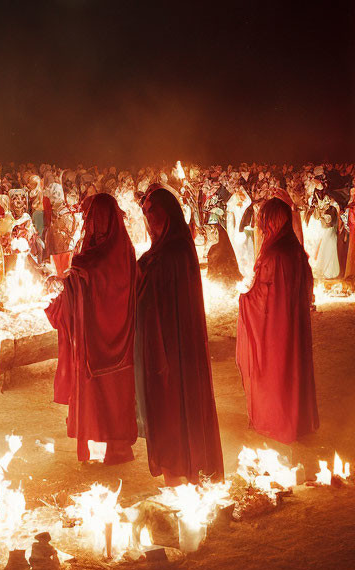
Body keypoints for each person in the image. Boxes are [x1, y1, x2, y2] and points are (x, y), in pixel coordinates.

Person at [135, 188, 223, 485]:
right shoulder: (162, 251)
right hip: (160, 344)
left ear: (167, 217)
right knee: (166, 407)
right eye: (146, 216)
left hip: (174, 345)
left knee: (176, 404)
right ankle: (176, 470)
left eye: (153, 216)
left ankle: (186, 468)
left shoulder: (176, 251)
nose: (149, 223)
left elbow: (153, 291)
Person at [45, 194, 137, 463]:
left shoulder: (91, 258)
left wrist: (63, 286)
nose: (88, 223)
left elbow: (86, 284)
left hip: (94, 342)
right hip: (122, 342)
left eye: (91, 218)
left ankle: (103, 448)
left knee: (99, 392)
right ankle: (118, 448)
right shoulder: (126, 249)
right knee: (117, 393)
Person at [236, 198, 318, 443]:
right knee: (294, 367)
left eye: (264, 222)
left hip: (274, 329)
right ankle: (298, 420)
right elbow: (307, 290)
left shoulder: (274, 255)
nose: (262, 228)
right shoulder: (296, 251)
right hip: (295, 325)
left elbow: (263, 295)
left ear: (272, 223)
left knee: (276, 370)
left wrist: (244, 298)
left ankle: (277, 419)